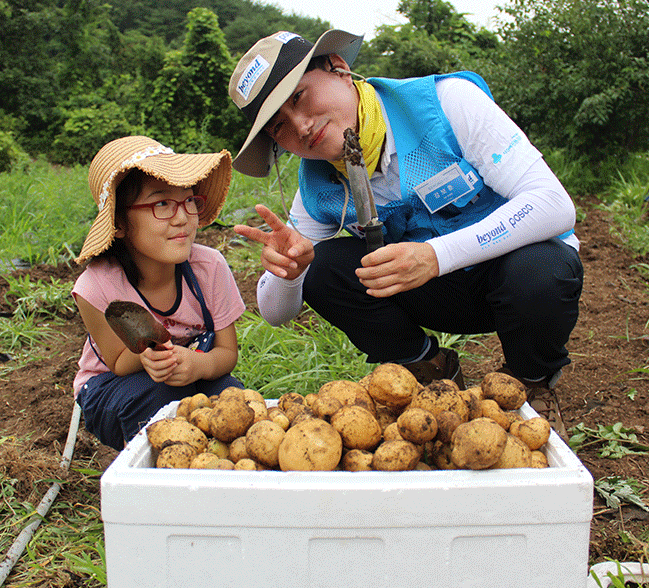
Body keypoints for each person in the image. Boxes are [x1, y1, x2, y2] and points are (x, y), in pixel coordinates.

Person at [228, 30, 583, 439]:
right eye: (279, 128)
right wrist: (290, 272)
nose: (302, 126)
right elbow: (275, 312)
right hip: (434, 294)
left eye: (298, 97)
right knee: (324, 268)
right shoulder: (317, 187)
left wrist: (434, 256)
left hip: (511, 280)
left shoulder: (447, 103)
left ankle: (530, 384)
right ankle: (428, 371)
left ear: (340, 69)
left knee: (542, 268)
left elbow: (554, 204)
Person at [71, 136, 246, 450]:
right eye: (161, 203)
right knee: (158, 397)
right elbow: (121, 363)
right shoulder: (96, 287)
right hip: (114, 385)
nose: (182, 217)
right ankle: (154, 474)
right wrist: (149, 356)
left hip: (191, 368)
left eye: (189, 200)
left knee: (232, 397)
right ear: (120, 222)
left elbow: (227, 354)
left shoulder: (209, 268)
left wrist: (198, 365)